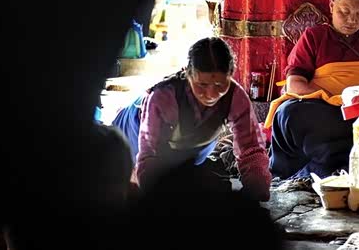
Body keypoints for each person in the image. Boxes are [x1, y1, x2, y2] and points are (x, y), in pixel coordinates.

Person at [266, 0, 359, 180]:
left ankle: (325, 170)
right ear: (332, 6)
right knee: (289, 113)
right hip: (326, 108)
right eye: (344, 12)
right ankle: (315, 171)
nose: (352, 20)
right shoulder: (314, 37)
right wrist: (332, 99)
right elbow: (295, 84)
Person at [111, 37, 271, 201]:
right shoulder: (164, 97)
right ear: (188, 74)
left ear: (230, 75)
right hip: (134, 130)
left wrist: (257, 188)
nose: (211, 94)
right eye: (202, 85)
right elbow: (148, 155)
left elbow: (251, 147)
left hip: (182, 146)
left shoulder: (235, 96)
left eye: (219, 85)